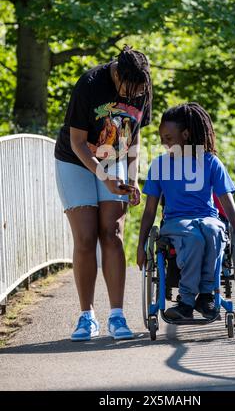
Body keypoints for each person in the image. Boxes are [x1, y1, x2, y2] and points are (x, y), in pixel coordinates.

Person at [55, 45, 152, 340]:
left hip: (116, 159)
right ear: (117, 75)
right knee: (85, 236)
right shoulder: (90, 83)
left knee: (112, 233)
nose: (133, 95)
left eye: (139, 91)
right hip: (77, 160)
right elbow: (77, 141)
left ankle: (117, 316)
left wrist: (133, 179)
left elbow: (134, 137)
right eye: (128, 89)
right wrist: (103, 175)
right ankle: (87, 316)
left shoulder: (142, 86)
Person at [137, 103, 235, 320]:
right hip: (175, 221)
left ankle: (206, 295)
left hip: (208, 218)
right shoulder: (159, 165)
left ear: (186, 134)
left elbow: (228, 206)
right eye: (162, 139)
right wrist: (141, 246)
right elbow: (150, 210)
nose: (164, 144)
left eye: (169, 138)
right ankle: (187, 300)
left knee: (212, 230)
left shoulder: (210, 162)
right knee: (194, 237)